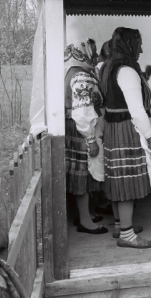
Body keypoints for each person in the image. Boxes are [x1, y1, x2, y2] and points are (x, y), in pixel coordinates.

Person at [100, 28, 151, 249]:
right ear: (129, 45)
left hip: (113, 129)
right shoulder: (126, 70)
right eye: (138, 44)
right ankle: (127, 235)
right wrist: (150, 136)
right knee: (126, 180)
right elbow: (136, 110)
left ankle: (120, 225)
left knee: (117, 177)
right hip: (125, 129)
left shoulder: (108, 68)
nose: (141, 49)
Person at [64, 38, 107, 234]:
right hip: (82, 130)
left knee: (81, 173)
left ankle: (84, 215)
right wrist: (90, 139)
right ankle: (85, 221)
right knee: (83, 172)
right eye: (93, 51)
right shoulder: (82, 77)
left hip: (75, 128)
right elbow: (82, 112)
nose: (96, 56)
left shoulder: (72, 72)